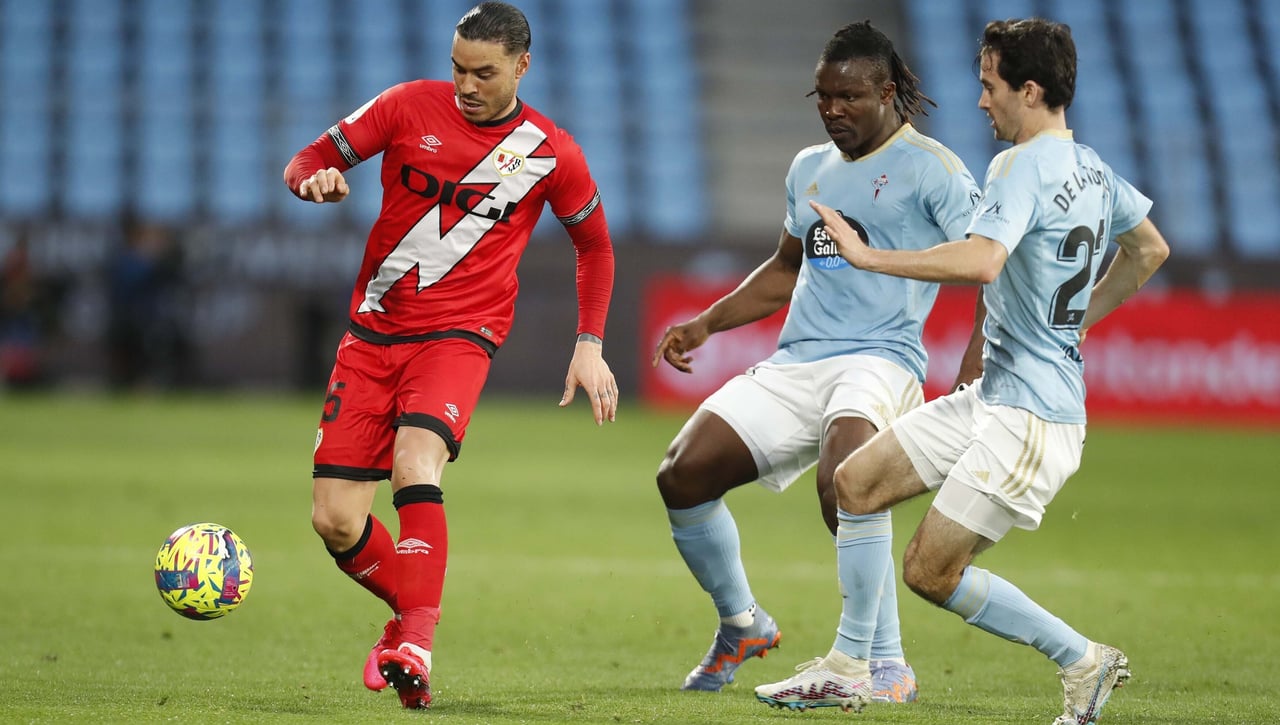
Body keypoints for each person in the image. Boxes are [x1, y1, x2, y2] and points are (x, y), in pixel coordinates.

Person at [753, 18, 1169, 723]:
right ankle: (852, 667)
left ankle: (1082, 660)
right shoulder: (1094, 169)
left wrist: (869, 256)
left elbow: (981, 260)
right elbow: (1150, 249)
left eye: (990, 85)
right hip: (994, 397)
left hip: (1032, 417)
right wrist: (1074, 323)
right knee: (856, 482)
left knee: (929, 570)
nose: (981, 100)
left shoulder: (1019, 166)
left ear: (1028, 91)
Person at [282, 1, 619, 710]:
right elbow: (309, 158)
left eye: (484, 73)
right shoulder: (407, 105)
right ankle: (409, 615)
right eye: (458, 68)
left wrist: (589, 344)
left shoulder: (550, 152)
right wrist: (314, 180)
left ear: (523, 67)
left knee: (416, 463)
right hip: (372, 333)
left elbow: (595, 246)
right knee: (335, 521)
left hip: (459, 335)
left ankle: (415, 646)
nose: (466, 85)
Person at [652, 20, 981, 702]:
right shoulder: (809, 167)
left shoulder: (935, 170)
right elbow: (785, 266)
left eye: (849, 96)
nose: (832, 109)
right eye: (823, 96)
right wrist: (707, 322)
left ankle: (885, 664)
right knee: (682, 474)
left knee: (845, 481)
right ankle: (742, 623)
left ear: (886, 93)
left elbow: (988, 265)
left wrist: (974, 371)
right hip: (799, 361)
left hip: (881, 359)